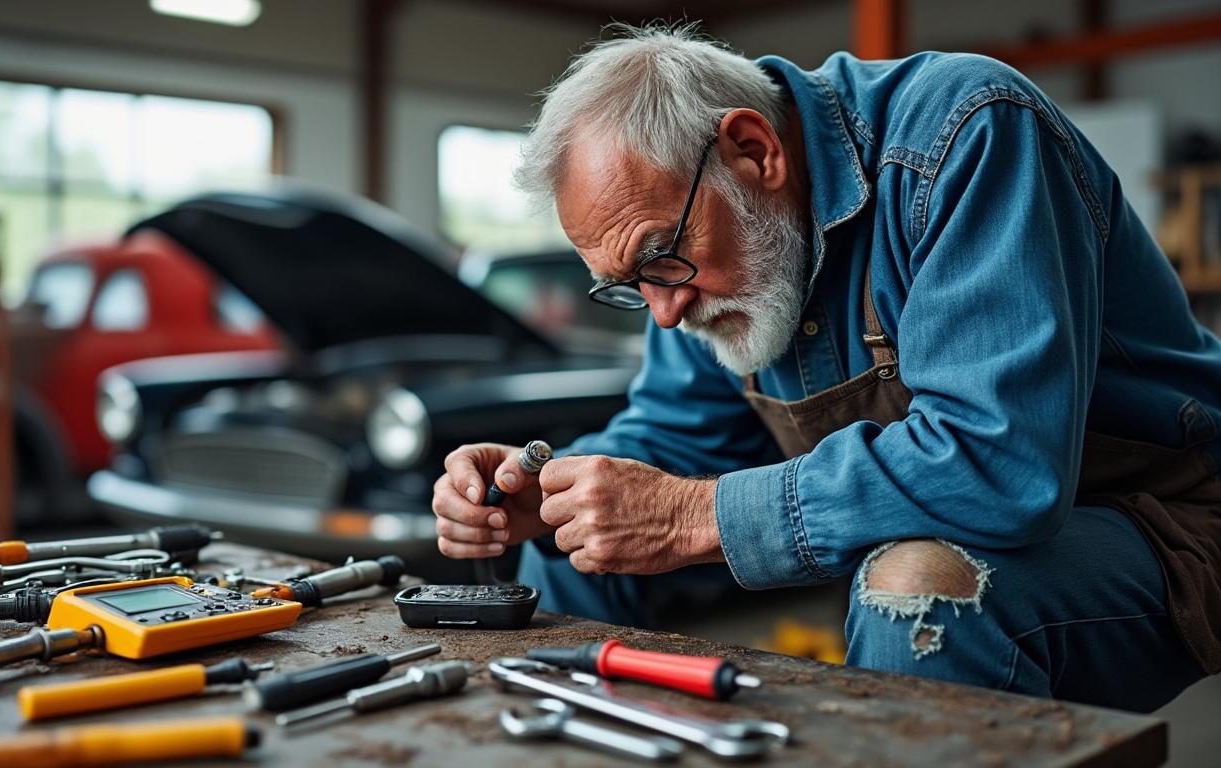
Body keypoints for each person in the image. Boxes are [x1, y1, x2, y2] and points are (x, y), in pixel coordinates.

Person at [430, 24, 1221, 711]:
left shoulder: (967, 133)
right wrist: (554, 496)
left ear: (754, 150)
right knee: (581, 552)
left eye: (660, 259)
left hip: (1174, 521)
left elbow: (999, 463)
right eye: (630, 287)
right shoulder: (692, 251)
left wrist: (690, 516)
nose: (664, 312)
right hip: (1004, 529)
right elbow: (675, 440)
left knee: (920, 588)